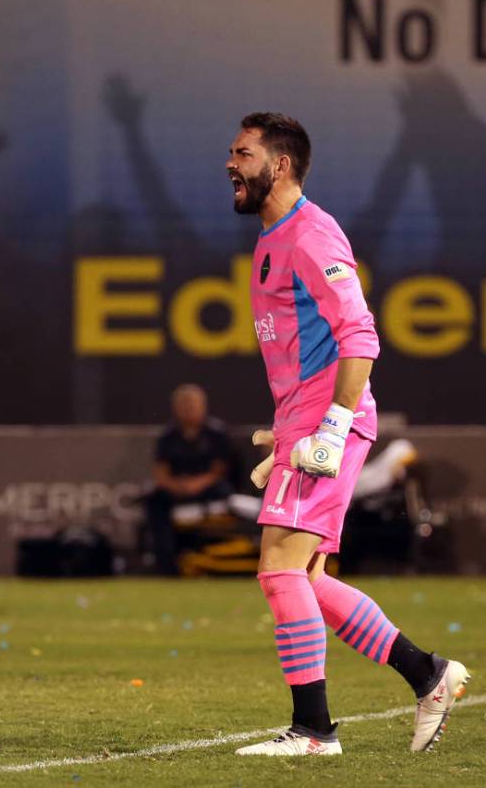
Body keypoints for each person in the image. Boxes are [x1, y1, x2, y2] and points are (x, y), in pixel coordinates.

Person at [225, 113, 468, 756]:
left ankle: (313, 732)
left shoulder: (311, 234)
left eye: (242, 152)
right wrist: (285, 433)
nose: (230, 163)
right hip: (303, 420)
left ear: (278, 164)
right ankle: (428, 674)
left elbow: (360, 336)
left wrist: (330, 426)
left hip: (329, 419)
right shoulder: (274, 237)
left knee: (280, 568)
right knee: (304, 573)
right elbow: (301, 354)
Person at [145, 384, 233, 575]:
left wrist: (197, 484)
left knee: (225, 493)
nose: (188, 409)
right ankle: (166, 564)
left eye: (192, 404)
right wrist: (177, 486)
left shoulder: (216, 433)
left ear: (203, 406)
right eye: (183, 404)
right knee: (154, 501)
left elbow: (220, 470)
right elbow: (161, 472)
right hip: (177, 490)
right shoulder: (168, 436)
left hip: (209, 489)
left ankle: (218, 561)